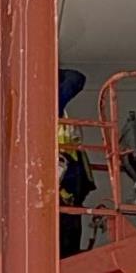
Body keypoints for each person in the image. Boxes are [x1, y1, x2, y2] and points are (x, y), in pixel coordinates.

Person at [58, 67, 95, 257]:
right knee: (66, 239)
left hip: (68, 179)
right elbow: (75, 79)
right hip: (64, 181)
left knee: (69, 233)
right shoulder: (45, 106)